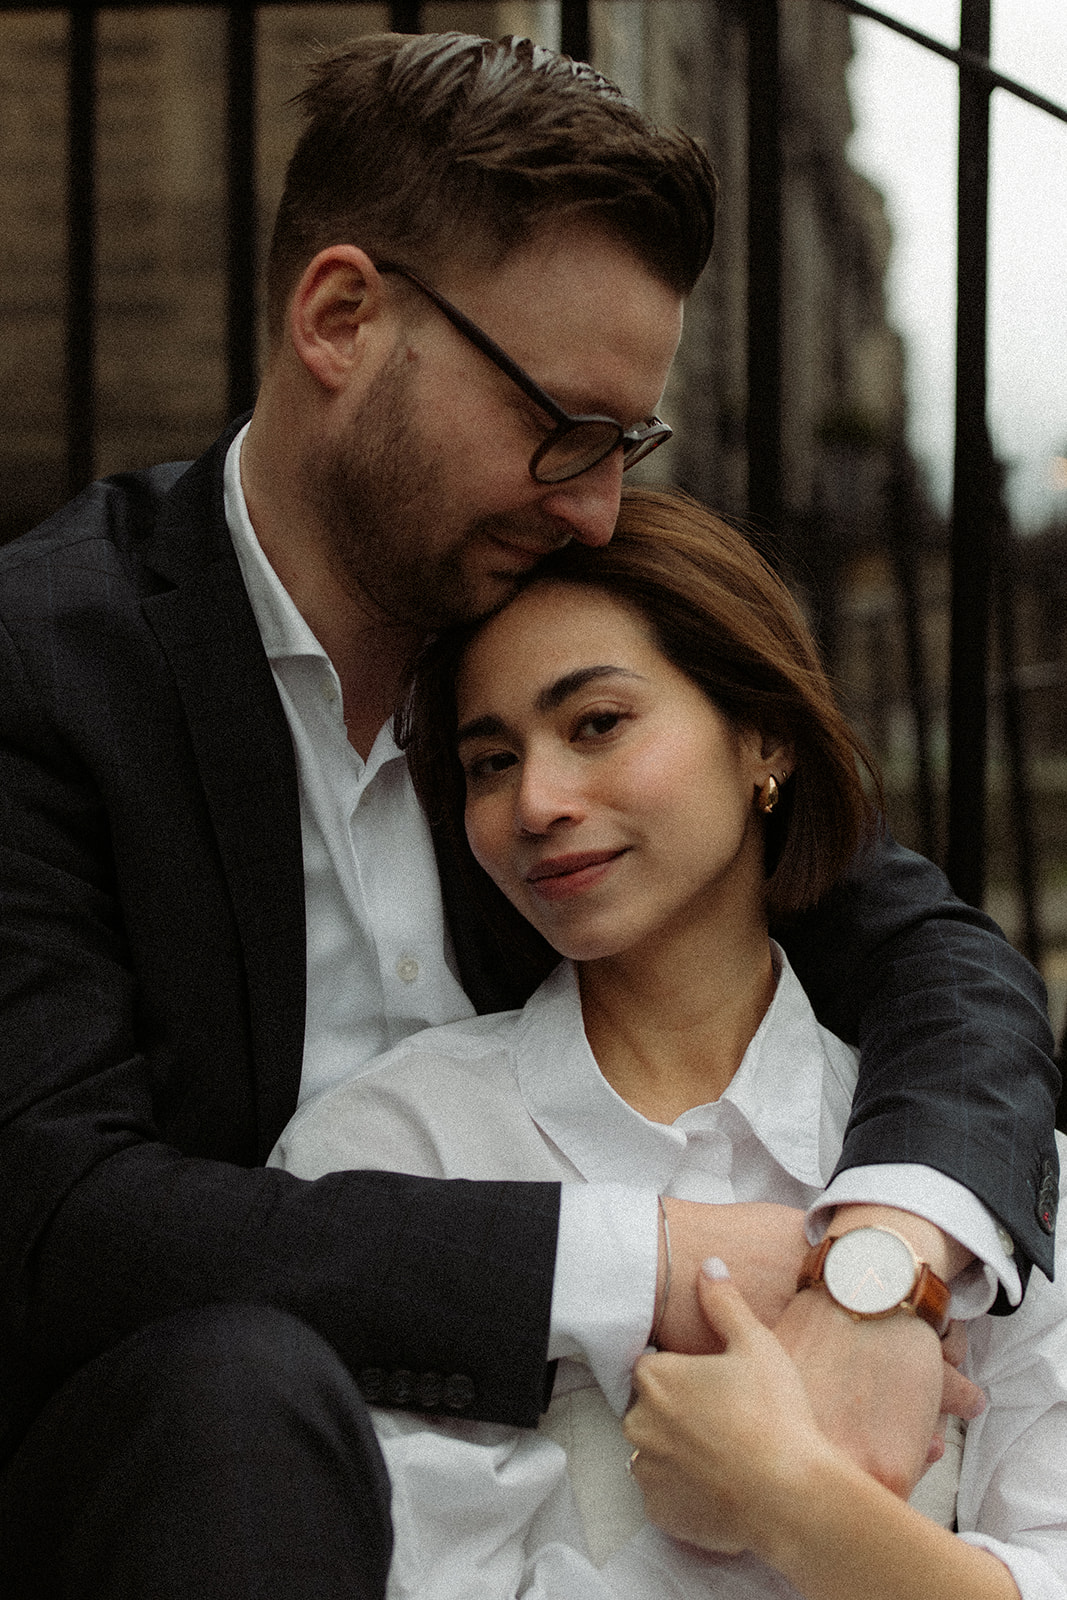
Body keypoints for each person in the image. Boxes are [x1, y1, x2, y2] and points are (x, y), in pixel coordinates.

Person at [0, 28, 1057, 1600]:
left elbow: (938, 965)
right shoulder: (44, 667)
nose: (595, 505)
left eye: (625, 446)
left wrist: (881, 1268)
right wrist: (662, 1256)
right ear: (340, 317)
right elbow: (55, 1221)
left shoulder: (545, 636)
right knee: (237, 1390)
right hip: (168, 1480)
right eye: (559, 425)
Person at [273, 485, 1067, 1600]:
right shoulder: (393, 1154)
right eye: (491, 761)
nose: (536, 801)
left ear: (763, 735)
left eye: (596, 723)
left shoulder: (983, 1195)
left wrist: (790, 1497)